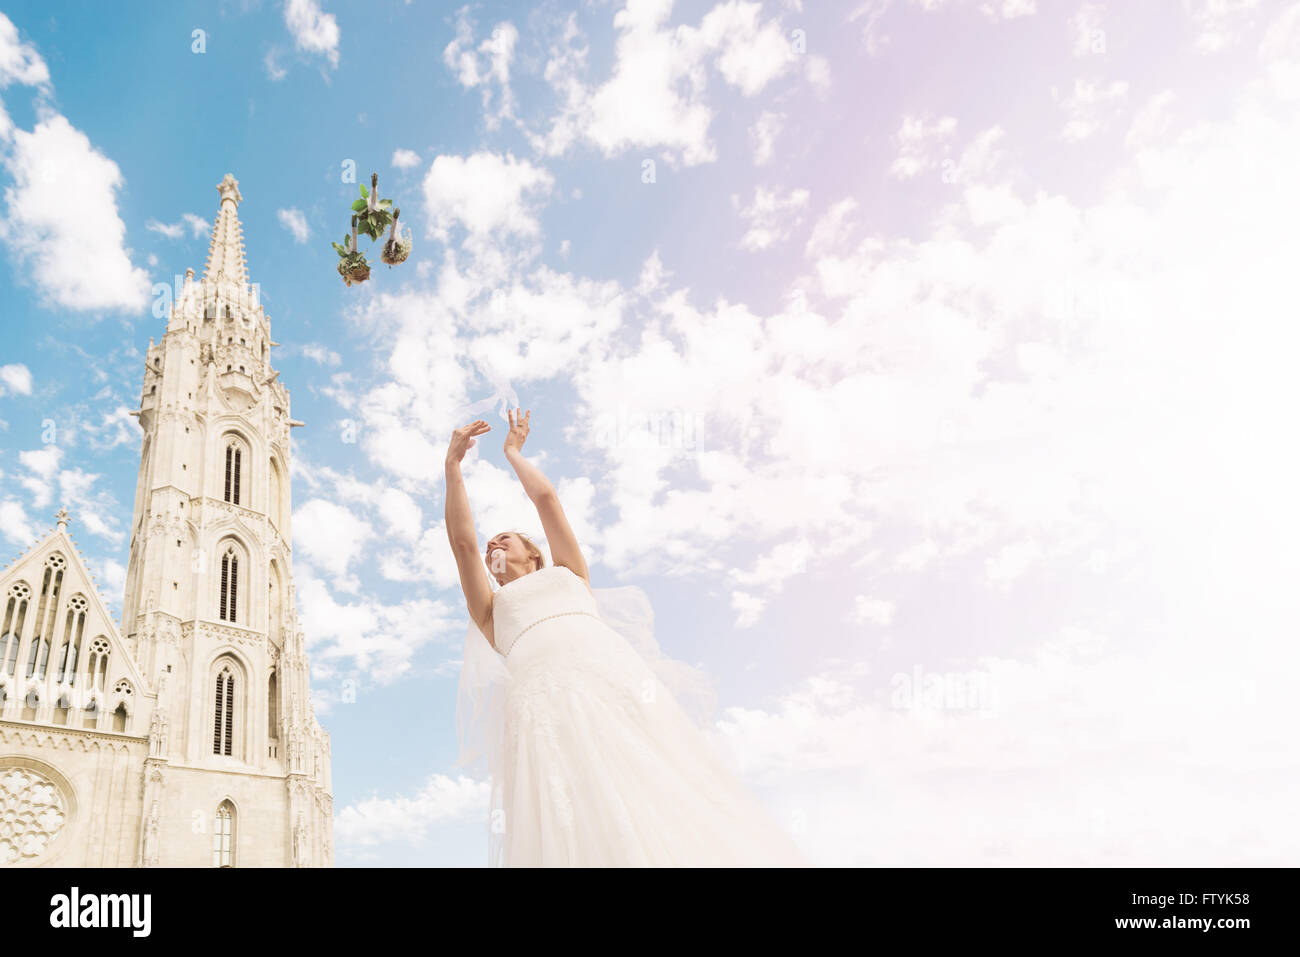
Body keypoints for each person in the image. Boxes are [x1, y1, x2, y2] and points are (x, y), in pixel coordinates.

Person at [445, 409, 809, 866]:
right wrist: (453, 468)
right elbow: (462, 544)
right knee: (568, 812)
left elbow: (547, 500)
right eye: (490, 544)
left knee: (648, 786)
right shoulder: (490, 610)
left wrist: (512, 452)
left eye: (504, 539)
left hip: (605, 678)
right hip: (540, 706)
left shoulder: (569, 573)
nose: (493, 546)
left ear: (533, 554)